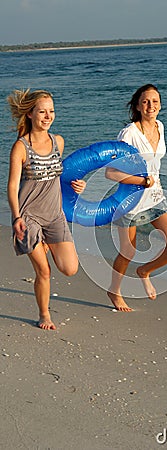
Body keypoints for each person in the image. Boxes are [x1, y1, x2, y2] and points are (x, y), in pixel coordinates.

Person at [7, 89, 86, 330]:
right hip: (29, 216)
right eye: (42, 111)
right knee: (44, 271)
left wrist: (77, 187)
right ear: (29, 114)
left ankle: (44, 240)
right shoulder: (21, 147)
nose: (47, 116)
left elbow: (57, 177)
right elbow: (11, 187)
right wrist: (17, 218)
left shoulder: (58, 142)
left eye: (51, 111)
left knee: (70, 268)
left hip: (54, 215)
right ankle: (44, 315)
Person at [106, 84, 167, 312]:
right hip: (130, 201)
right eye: (146, 102)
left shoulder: (160, 126)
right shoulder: (129, 134)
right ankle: (114, 290)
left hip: (156, 197)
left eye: (155, 101)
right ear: (138, 106)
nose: (151, 106)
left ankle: (144, 271)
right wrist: (142, 181)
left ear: (160, 105)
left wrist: (151, 183)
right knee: (128, 252)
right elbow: (111, 173)